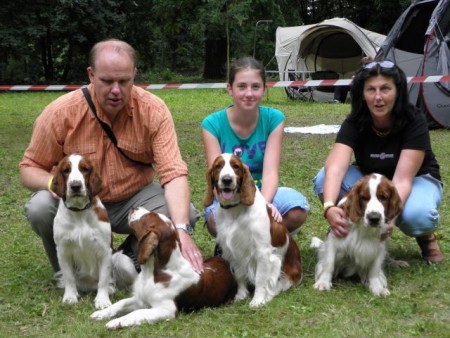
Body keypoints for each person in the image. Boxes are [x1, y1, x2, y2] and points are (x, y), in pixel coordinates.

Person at [19, 39, 204, 282]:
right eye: (107, 81)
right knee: (40, 207)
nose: (116, 90)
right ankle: (70, 273)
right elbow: (28, 168)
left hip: (134, 198)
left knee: (183, 214)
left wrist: (181, 229)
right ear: (91, 74)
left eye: (124, 81)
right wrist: (57, 183)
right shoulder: (60, 112)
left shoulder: (154, 111)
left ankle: (128, 258)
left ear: (134, 75)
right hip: (81, 199)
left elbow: (173, 173)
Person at [313, 59, 444, 264]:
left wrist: (390, 218)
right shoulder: (355, 121)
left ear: (398, 91)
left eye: (385, 89)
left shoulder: (414, 120)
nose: (378, 97)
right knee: (323, 179)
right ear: (362, 94)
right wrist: (329, 207)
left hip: (416, 179)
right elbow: (335, 168)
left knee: (418, 216)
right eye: (371, 90)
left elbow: (402, 180)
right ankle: (343, 227)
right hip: (374, 182)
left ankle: (426, 237)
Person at [202, 57, 310, 239]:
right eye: (241, 86)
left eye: (256, 87)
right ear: (230, 88)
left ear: (264, 89)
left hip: (263, 191)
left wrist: (263, 204)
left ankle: (269, 239)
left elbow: (270, 173)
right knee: (214, 222)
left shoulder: (274, 119)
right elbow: (216, 177)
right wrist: (235, 201)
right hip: (228, 193)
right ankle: (235, 243)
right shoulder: (211, 124)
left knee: (297, 209)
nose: (249, 93)